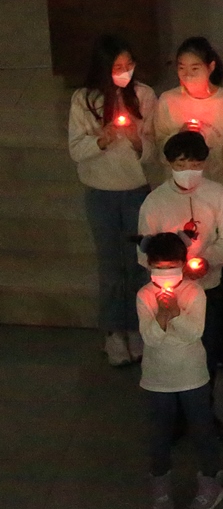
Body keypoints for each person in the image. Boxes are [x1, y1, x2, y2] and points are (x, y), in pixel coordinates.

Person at [137, 131, 223, 437]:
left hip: (209, 287)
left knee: (207, 350)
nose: (188, 170)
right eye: (181, 164)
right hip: (168, 291)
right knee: (172, 349)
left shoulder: (218, 195)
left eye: (195, 163)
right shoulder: (155, 201)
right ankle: (174, 416)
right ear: (169, 163)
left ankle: (204, 412)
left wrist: (208, 260)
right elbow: (143, 250)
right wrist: (173, 269)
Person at [69, 35, 156, 366]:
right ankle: (113, 332)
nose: (125, 71)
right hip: (100, 192)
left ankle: (136, 327)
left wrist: (136, 141)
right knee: (110, 266)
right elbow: (76, 149)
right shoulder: (83, 99)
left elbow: (155, 151)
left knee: (138, 264)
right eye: (118, 67)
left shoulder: (144, 95)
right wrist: (100, 141)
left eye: (129, 65)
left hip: (136, 190)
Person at [136, 232, 222, 509]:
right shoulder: (144, 295)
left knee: (202, 429)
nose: (165, 273)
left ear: (183, 264)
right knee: (159, 433)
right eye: (158, 268)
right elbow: (150, 338)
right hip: (157, 378)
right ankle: (160, 483)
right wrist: (162, 317)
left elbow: (193, 333)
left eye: (171, 267)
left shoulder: (194, 292)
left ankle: (210, 480)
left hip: (192, 375)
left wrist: (174, 313)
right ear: (149, 265)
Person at [154, 37, 223, 199]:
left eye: (195, 68)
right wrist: (179, 135)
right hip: (178, 191)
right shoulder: (168, 100)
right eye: (182, 68)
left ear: (211, 67)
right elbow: (160, 145)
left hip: (215, 188)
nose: (187, 75)